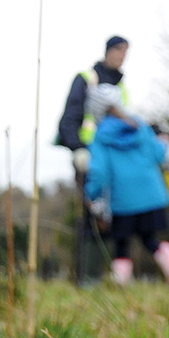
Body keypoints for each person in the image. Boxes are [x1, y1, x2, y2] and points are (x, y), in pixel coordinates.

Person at [83, 84, 169, 285]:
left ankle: (121, 284)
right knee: (150, 239)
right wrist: (163, 141)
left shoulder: (100, 137)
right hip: (152, 196)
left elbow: (100, 172)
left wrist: (91, 194)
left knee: (121, 243)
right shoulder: (139, 126)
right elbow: (159, 155)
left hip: (122, 200)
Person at [57, 36, 130, 284]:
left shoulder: (122, 87)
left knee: (112, 216)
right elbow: (70, 116)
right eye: (118, 51)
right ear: (108, 51)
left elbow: (125, 121)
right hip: (88, 155)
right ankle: (85, 278)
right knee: (89, 213)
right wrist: (77, 147)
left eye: (125, 52)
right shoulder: (87, 79)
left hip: (113, 159)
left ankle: (104, 276)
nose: (121, 56)